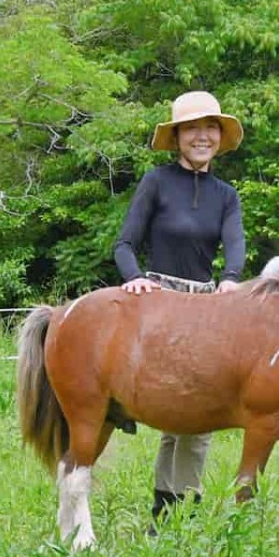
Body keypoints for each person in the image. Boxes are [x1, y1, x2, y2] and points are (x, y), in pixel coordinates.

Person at [112, 90, 247, 531]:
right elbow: (124, 243)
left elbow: (235, 245)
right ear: (177, 137)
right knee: (177, 412)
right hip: (158, 298)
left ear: (219, 137)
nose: (202, 136)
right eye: (192, 128)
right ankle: (172, 510)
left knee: (196, 417)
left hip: (205, 303)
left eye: (210, 128)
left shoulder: (226, 194)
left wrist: (230, 279)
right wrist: (135, 277)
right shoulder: (155, 182)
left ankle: (172, 512)